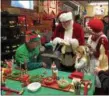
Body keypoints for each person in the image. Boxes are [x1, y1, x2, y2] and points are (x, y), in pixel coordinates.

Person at [87, 18, 109, 88]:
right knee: (90, 79)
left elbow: (103, 57)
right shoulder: (91, 36)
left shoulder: (103, 39)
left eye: (90, 31)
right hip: (91, 61)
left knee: (97, 82)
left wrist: (91, 51)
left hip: (98, 64)